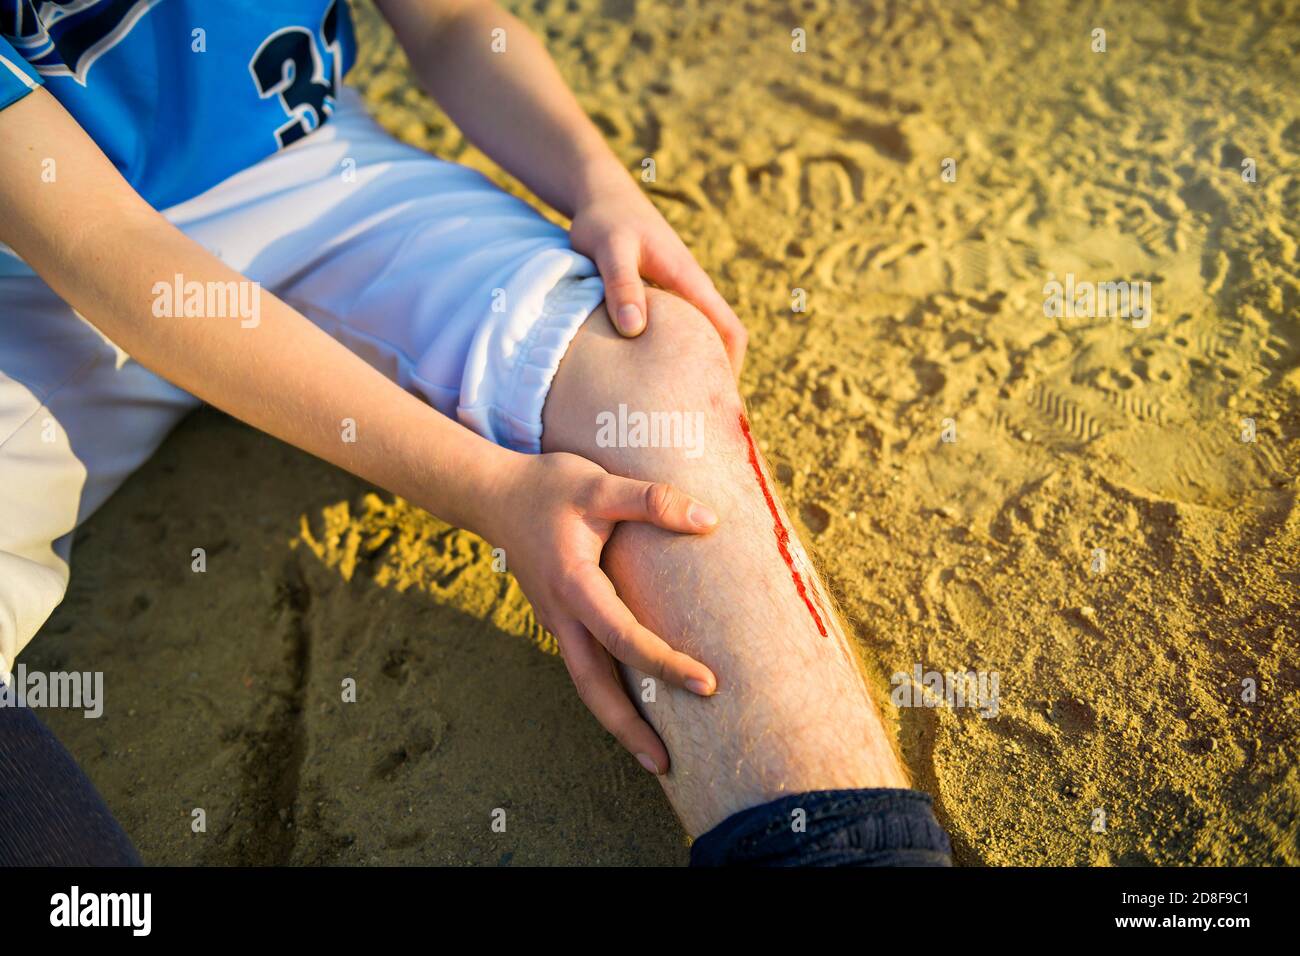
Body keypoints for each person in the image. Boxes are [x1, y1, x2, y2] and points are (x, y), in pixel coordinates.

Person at [0, 0, 951, 866]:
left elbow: (456, 22)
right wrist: (489, 489)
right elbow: (110, 254)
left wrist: (599, 184)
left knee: (652, 359)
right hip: (36, 264)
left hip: (309, 164)